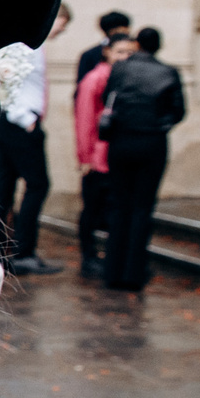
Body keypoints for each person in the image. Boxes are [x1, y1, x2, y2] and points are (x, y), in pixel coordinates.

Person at [99, 26, 185, 290]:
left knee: (120, 205)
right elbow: (178, 111)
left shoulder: (120, 69)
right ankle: (133, 273)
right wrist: (157, 125)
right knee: (142, 207)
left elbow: (107, 98)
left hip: (121, 141)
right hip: (151, 143)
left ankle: (112, 272)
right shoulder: (168, 72)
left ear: (137, 44)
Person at [0, 7, 66, 274]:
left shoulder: (26, 45)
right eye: (62, 22)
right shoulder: (25, 46)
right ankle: (23, 251)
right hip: (19, 123)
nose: (61, 29)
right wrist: (24, 118)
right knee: (37, 185)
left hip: (13, 122)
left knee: (5, 185)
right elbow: (5, 78)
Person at [73, 33, 131, 274]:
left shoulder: (125, 78)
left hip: (117, 156)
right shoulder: (95, 79)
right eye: (120, 52)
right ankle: (89, 257)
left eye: (129, 52)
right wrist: (85, 157)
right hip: (98, 157)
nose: (125, 57)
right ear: (108, 52)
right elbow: (85, 118)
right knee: (92, 208)